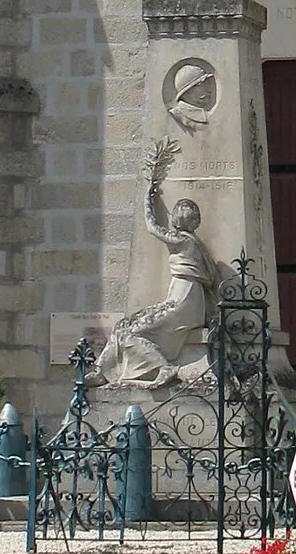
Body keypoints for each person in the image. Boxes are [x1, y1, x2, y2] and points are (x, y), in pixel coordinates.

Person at [95, 137, 222, 387]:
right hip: (188, 300)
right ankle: (102, 370)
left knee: (129, 331)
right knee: (124, 326)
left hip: (182, 303)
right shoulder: (195, 244)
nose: (173, 216)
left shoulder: (182, 240)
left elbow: (152, 227)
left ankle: (164, 367)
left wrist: (148, 198)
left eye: (176, 212)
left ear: (181, 219)